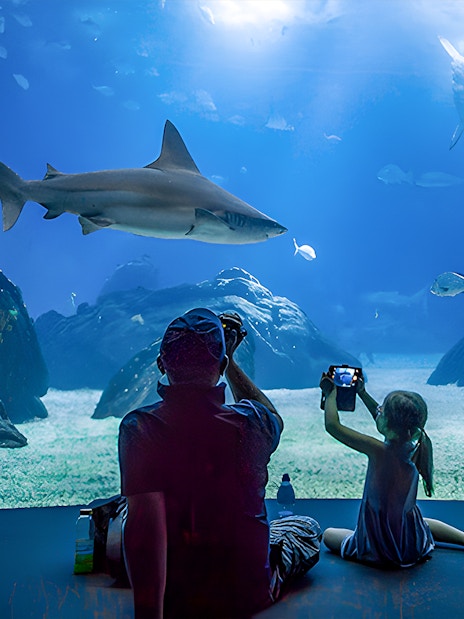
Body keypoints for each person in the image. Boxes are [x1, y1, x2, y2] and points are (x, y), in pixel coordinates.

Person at [118, 307, 321, 619]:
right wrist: (231, 363)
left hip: (176, 596)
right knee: (304, 528)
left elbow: (145, 528)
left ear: (161, 364)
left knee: (125, 512)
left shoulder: (140, 428)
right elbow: (274, 418)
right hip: (246, 594)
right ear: (223, 363)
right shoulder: (252, 423)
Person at [320, 373, 464, 568]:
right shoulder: (414, 445)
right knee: (424, 522)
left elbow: (332, 426)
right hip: (410, 543)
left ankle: (372, 550)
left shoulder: (379, 451)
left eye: (382, 410)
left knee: (328, 534)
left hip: (380, 546)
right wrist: (362, 393)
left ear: (387, 424)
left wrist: (330, 394)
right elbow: (387, 420)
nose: (377, 410)